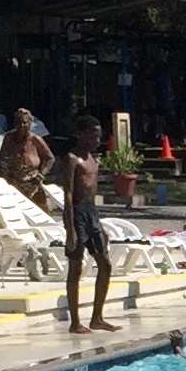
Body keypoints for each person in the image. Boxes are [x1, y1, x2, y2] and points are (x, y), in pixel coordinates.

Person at [62, 115, 119, 335]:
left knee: (105, 264)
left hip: (92, 214)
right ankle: (75, 322)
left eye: (99, 135)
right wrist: (70, 229)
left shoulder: (92, 159)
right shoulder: (71, 159)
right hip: (76, 213)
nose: (98, 140)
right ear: (80, 134)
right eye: (93, 135)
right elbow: (67, 194)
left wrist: (100, 223)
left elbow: (92, 193)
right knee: (76, 268)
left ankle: (97, 318)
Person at [0, 108, 55, 211]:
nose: (21, 126)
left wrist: (41, 174)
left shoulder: (35, 140)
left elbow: (50, 158)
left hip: (33, 183)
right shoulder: (9, 139)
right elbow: (1, 157)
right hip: (13, 183)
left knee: (39, 212)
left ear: (30, 124)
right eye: (18, 123)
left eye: (24, 123)